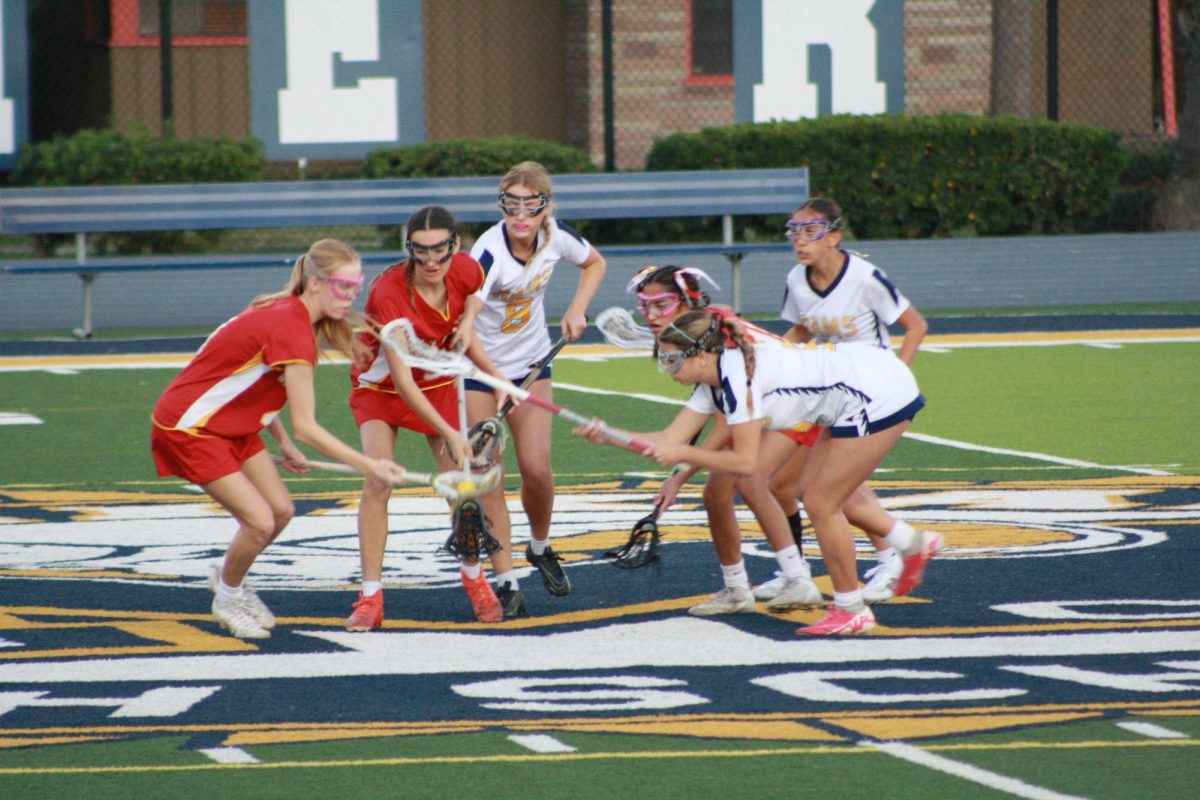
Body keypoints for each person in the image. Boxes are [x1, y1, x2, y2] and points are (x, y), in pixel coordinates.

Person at [577, 309, 941, 635]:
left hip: (877, 390)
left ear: (701, 355)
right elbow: (669, 438)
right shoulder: (714, 379)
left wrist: (684, 452)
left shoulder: (741, 379)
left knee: (821, 501)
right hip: (853, 386)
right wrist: (610, 436)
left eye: (672, 360)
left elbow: (746, 465)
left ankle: (851, 610)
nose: (667, 369)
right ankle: (913, 545)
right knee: (821, 494)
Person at [151, 238, 407, 640]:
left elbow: (256, 382)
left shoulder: (291, 315)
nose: (351, 296)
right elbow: (308, 425)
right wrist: (370, 465)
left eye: (356, 286)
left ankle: (227, 574)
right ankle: (228, 596)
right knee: (258, 522)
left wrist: (283, 440)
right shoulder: (291, 328)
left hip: (234, 424)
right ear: (316, 283)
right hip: (190, 428)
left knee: (281, 511)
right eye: (343, 285)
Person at [754, 196, 929, 603]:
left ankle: (893, 557)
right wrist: (772, 358)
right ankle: (796, 572)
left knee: (832, 490)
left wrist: (898, 371)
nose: (800, 240)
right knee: (785, 483)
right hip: (822, 389)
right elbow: (801, 331)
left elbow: (915, 326)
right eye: (794, 231)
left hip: (868, 394)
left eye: (811, 231)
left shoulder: (866, 277)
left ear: (835, 236)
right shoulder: (798, 279)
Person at [626, 265, 824, 616]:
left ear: (686, 300)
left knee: (754, 481)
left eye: (661, 304)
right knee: (723, 493)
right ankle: (741, 588)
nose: (651, 315)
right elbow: (706, 412)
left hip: (799, 402)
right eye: (645, 306)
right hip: (772, 406)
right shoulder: (692, 332)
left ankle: (799, 577)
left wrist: (678, 476)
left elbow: (723, 426)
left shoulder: (714, 338)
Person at [347, 206, 508, 629]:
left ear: (455, 244)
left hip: (435, 383)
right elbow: (401, 382)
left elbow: (472, 298)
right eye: (421, 252)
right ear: (410, 250)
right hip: (381, 390)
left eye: (440, 249)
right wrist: (451, 433)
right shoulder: (389, 294)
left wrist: (496, 375)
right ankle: (369, 598)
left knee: (463, 487)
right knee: (378, 480)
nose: (432, 261)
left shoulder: (468, 270)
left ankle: (475, 580)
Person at [466, 161, 607, 616]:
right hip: (479, 370)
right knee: (490, 471)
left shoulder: (555, 235)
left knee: (538, 469)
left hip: (532, 365)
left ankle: (540, 547)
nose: (521, 214)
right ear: (501, 205)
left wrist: (577, 308)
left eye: (531, 204)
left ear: (545, 206)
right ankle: (505, 581)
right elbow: (464, 329)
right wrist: (497, 380)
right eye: (511, 203)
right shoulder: (487, 254)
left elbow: (594, 262)